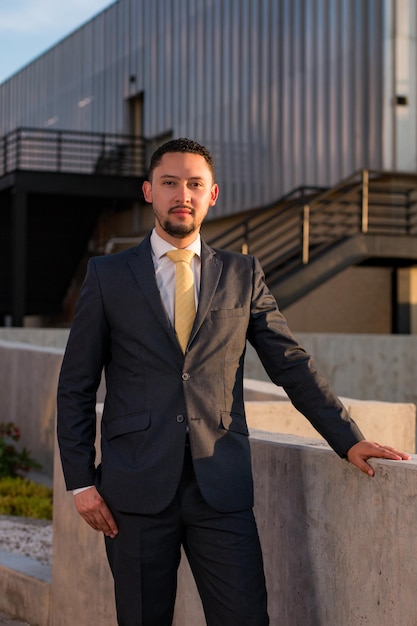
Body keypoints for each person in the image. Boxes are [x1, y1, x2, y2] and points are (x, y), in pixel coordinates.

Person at [57, 138, 410, 626]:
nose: (183, 193)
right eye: (170, 183)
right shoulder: (107, 275)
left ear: (213, 195)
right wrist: (80, 482)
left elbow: (289, 362)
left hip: (219, 487)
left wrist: (347, 438)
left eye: (195, 184)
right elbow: (75, 385)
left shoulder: (242, 274)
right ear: (149, 192)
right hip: (131, 491)